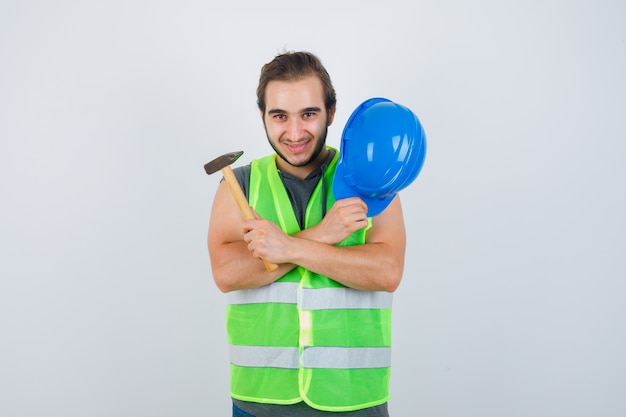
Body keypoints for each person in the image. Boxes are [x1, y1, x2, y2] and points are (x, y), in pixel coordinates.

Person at [207, 51, 407, 417]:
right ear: (263, 116)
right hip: (259, 403)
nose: (295, 133)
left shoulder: (371, 181)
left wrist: (287, 247)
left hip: (353, 401)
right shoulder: (239, 185)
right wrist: (320, 235)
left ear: (331, 112)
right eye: (280, 116)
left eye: (309, 114)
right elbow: (226, 274)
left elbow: (387, 270)